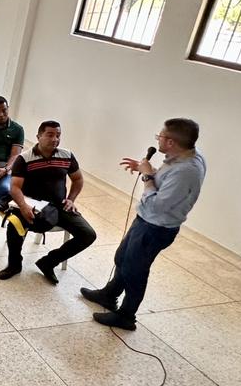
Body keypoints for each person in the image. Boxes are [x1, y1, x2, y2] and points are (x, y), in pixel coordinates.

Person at [82, 119, 206, 330]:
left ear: (170, 142)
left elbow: (158, 204)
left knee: (135, 270)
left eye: (160, 136)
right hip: (145, 220)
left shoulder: (187, 170)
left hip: (155, 227)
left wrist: (148, 175)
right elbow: (167, 184)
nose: (157, 139)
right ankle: (109, 295)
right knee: (122, 257)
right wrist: (148, 170)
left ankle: (127, 315)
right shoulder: (180, 158)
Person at [0, 121, 97, 284]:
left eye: (58, 135)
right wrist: (23, 206)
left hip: (60, 206)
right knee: (14, 226)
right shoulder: (24, 159)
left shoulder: (67, 155)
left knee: (88, 234)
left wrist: (71, 199)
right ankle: (15, 264)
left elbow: (78, 179)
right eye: (50, 135)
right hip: (32, 205)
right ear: (39, 136)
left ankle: (48, 262)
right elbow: (15, 188)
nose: (55, 139)